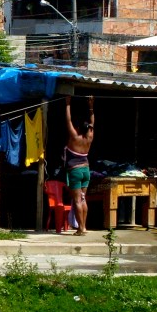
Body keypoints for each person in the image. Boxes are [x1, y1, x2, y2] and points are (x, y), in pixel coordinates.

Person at [64, 95, 94, 235]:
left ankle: (81, 228)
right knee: (83, 198)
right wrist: (91, 107)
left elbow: (68, 120)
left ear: (77, 128)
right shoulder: (89, 138)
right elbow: (92, 123)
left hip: (75, 171)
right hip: (86, 170)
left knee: (77, 200)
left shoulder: (74, 137)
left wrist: (67, 103)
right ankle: (84, 226)